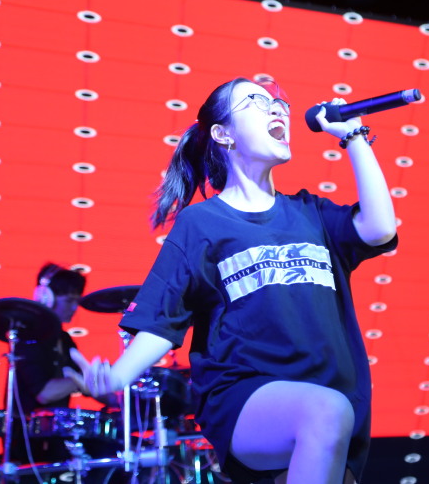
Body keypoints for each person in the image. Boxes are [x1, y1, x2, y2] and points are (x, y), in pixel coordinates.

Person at [70, 77, 398, 484]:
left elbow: (379, 229)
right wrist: (117, 377)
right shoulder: (202, 223)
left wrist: (354, 137)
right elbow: (163, 317)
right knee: (325, 411)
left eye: (280, 104)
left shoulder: (310, 213)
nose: (277, 109)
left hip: (333, 399)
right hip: (246, 394)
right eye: (257, 102)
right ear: (223, 134)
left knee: (328, 415)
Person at [8, 262, 88, 464]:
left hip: (56, 436)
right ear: (46, 297)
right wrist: (83, 379)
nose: (74, 307)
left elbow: (87, 383)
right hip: (27, 443)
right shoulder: (28, 339)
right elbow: (45, 393)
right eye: (69, 300)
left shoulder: (65, 339)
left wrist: (118, 396)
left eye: (77, 301)